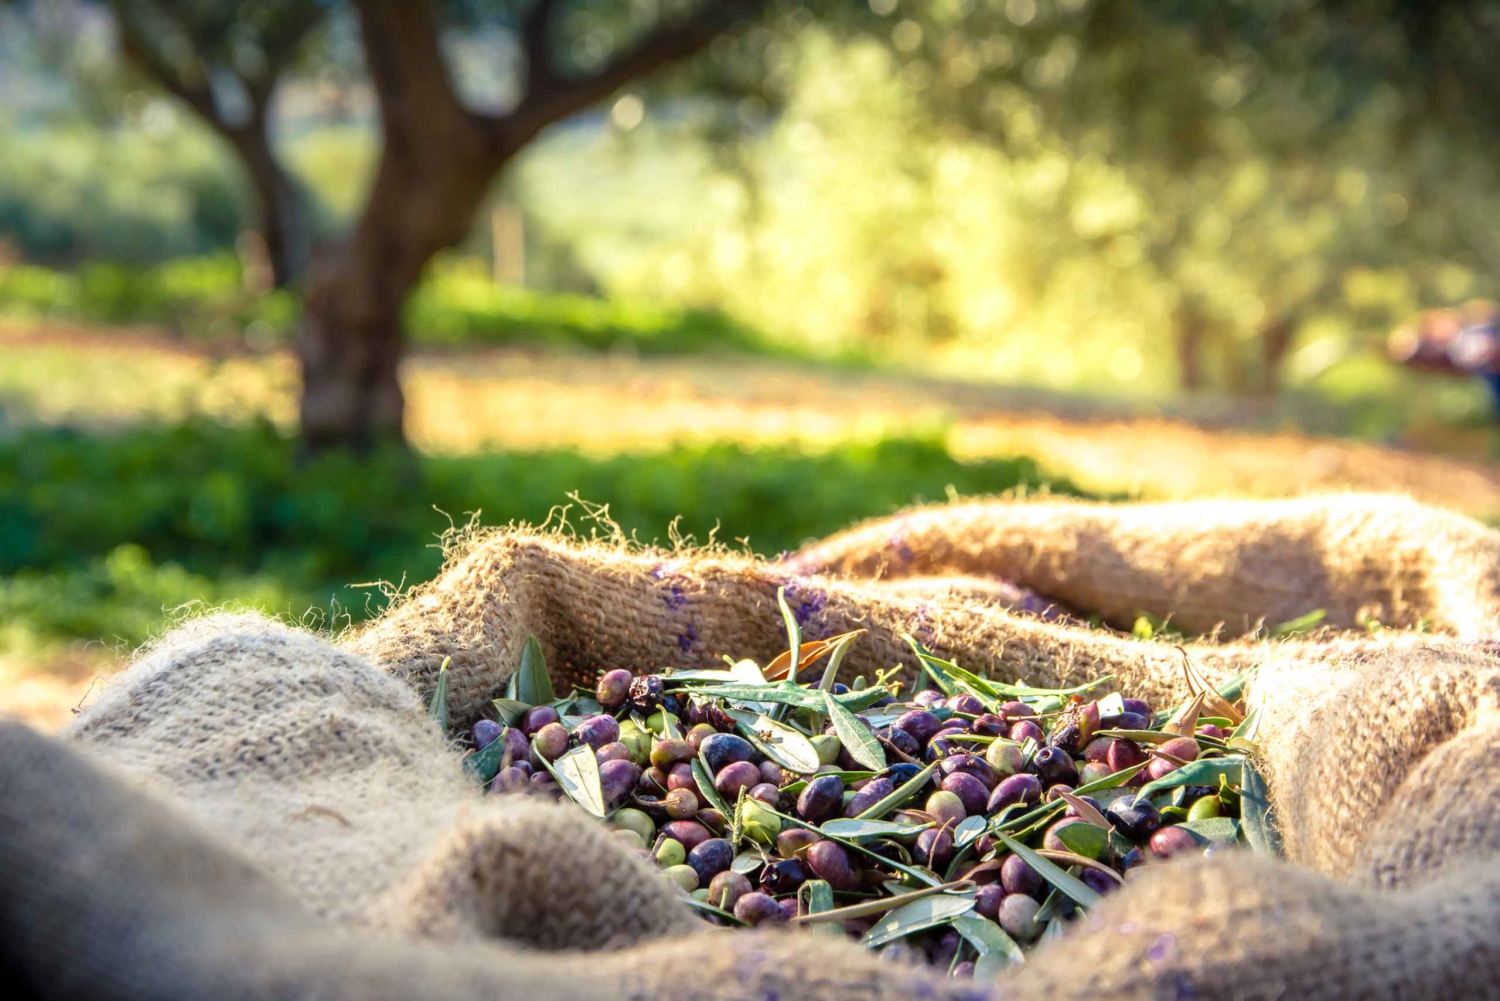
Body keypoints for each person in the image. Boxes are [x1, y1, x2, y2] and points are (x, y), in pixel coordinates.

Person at [1388, 299, 1500, 411]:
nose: (1433, 340)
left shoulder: (1478, 320)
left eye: (1425, 335)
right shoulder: (1464, 356)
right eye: (1425, 345)